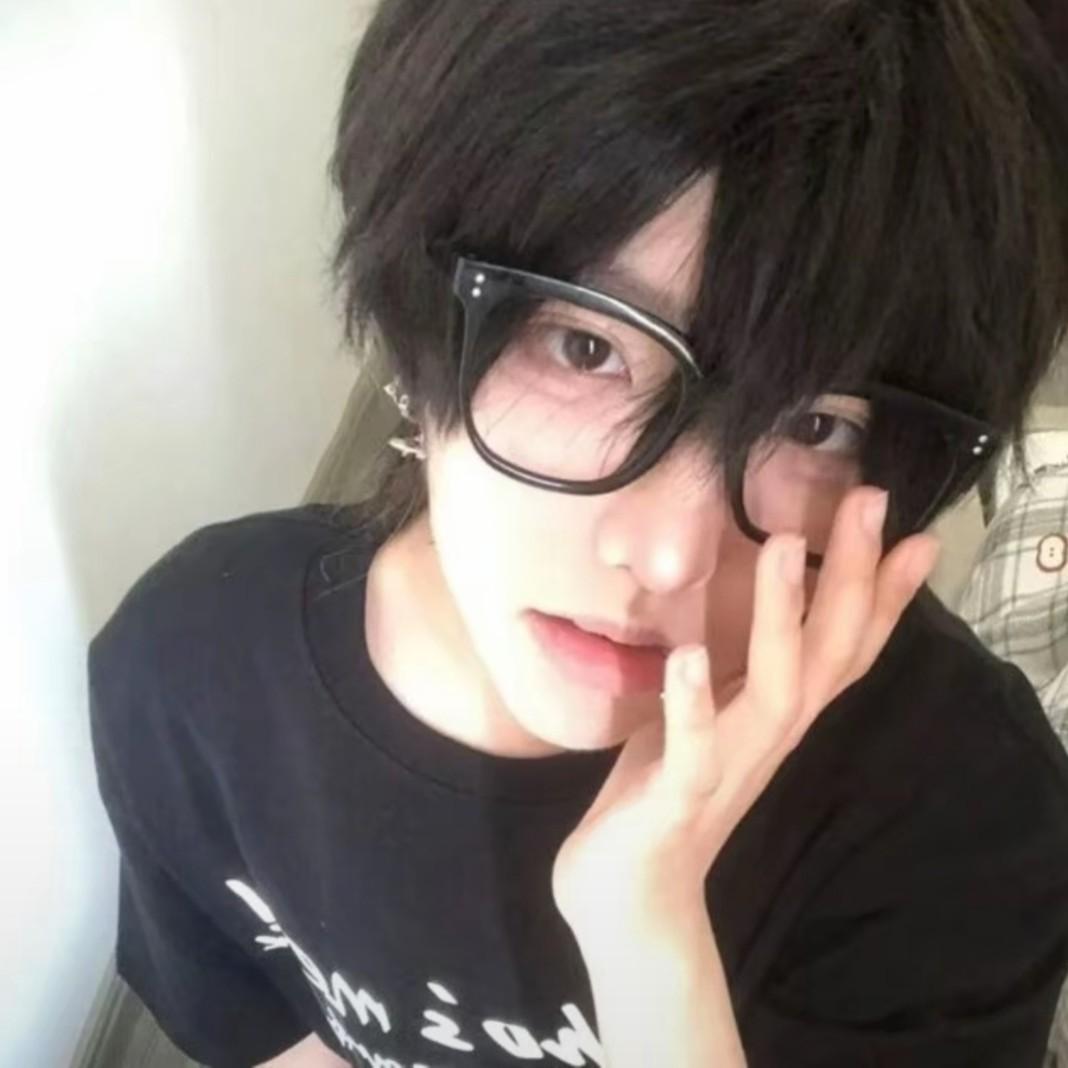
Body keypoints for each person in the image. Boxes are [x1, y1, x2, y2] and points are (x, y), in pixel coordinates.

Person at [88, 2, 1068, 1065]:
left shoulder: (964, 814)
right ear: (416, 313)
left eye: (816, 424)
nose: (669, 556)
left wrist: (646, 934)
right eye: (586, 347)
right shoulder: (195, 673)